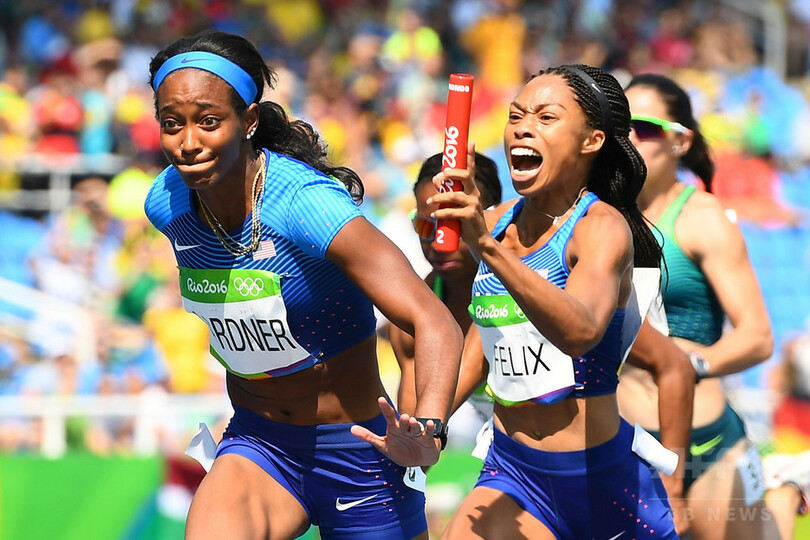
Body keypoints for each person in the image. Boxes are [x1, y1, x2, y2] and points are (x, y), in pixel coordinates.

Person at [144, 30, 463, 540]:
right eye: (171, 123)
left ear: (249, 121)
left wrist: (429, 427)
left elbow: (433, 319)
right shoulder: (167, 205)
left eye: (208, 122)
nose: (188, 143)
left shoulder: (305, 204)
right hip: (260, 446)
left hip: (360, 450)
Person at [433, 63, 679, 539]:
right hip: (513, 473)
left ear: (592, 141)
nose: (522, 127)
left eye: (546, 117)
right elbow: (483, 344)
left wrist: (486, 249)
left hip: (603, 487)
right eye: (516, 115)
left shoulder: (601, 228)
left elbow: (579, 332)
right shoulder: (494, 222)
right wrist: (431, 421)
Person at [619, 73, 804, 540]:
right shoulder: (599, 216)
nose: (629, 138)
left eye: (645, 128)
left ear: (680, 141)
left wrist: (688, 366)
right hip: (623, 439)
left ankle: (783, 494)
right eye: (621, 125)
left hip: (706, 444)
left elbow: (758, 337)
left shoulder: (704, 219)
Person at [392, 151, 501, 443]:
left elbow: (427, 422)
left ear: (491, 218)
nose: (439, 244)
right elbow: (416, 442)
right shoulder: (411, 318)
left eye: (453, 227)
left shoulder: (520, 286)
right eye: (425, 227)